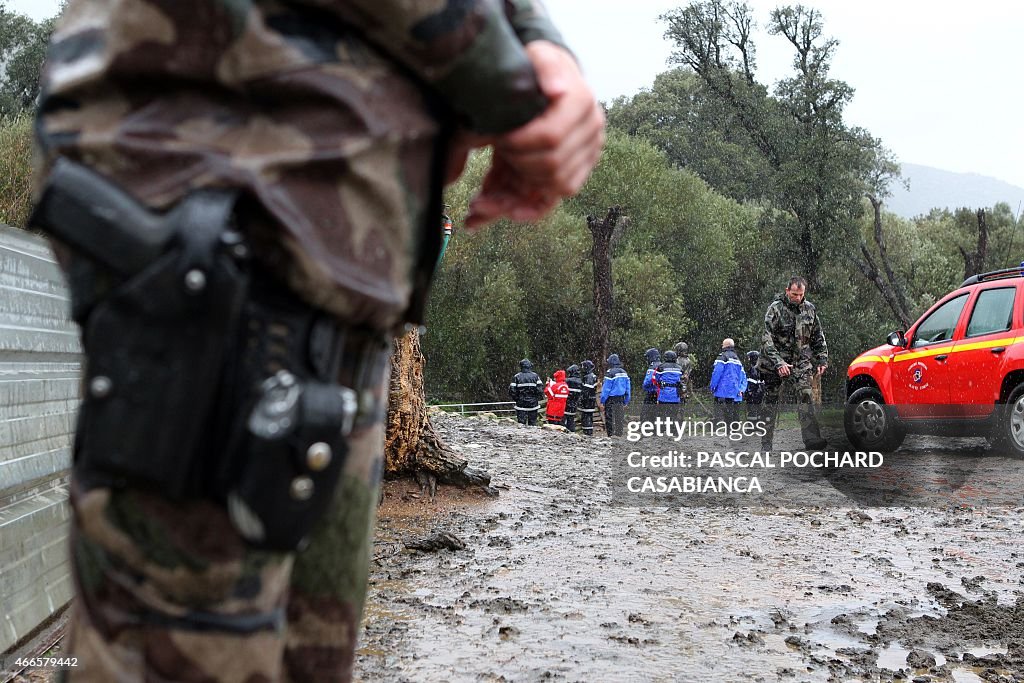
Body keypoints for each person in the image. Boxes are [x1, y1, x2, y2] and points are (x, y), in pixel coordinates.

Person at [32, 2, 605, 680]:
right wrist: (516, 88)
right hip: (228, 187)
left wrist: (539, 49)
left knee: (303, 653)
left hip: (342, 244)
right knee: (184, 651)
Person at [758, 276, 829, 450]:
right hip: (774, 362)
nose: (797, 298)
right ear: (787, 290)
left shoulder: (810, 309)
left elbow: (817, 336)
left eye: (801, 294)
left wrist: (822, 358)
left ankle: (812, 439)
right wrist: (779, 363)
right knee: (770, 401)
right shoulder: (775, 309)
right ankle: (766, 442)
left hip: (801, 362)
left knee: (806, 395)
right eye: (794, 294)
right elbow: (766, 339)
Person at [710, 338, 747, 425]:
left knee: (720, 411)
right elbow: (742, 376)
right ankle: (732, 430)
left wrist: (712, 386)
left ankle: (722, 428)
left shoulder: (722, 357)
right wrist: (741, 389)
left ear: (725, 346)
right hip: (734, 391)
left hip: (722, 390)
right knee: (732, 412)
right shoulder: (738, 359)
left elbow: (717, 373)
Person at [600, 353, 631, 436]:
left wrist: (602, 401)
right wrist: (626, 401)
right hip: (621, 398)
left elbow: (606, 389)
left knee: (609, 418)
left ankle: (610, 435)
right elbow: (628, 389)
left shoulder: (610, 373)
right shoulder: (624, 373)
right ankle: (619, 435)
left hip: (610, 399)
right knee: (619, 418)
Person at [511, 359, 545, 426]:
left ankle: (521, 435)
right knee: (532, 423)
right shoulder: (535, 376)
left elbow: (512, 390)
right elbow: (540, 390)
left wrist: (517, 399)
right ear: (530, 366)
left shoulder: (516, 376)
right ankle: (533, 435)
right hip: (533, 404)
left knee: (521, 424)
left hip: (521, 404)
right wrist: (535, 398)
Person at [578, 360, 598, 436]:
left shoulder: (588, 377)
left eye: (583, 367)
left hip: (587, 401)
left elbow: (586, 391)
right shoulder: (593, 376)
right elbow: (594, 389)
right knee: (589, 416)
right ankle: (589, 432)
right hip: (591, 400)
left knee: (586, 417)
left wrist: (581, 399)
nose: (582, 369)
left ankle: (587, 434)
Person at [640, 347, 661, 420]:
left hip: (652, 394)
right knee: (657, 414)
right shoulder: (662, 365)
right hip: (661, 393)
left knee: (646, 413)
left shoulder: (652, 367)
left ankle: (646, 428)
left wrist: (645, 387)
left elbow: (648, 381)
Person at [745, 350, 766, 419]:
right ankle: (757, 425)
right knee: (758, 411)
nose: (748, 359)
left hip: (753, 394)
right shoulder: (761, 368)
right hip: (759, 394)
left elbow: (752, 383)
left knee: (752, 412)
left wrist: (749, 393)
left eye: (749, 357)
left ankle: (752, 427)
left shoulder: (753, 369)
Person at [563, 364, 583, 432]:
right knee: (571, 419)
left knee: (565, 420)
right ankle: (572, 432)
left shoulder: (568, 381)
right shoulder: (580, 381)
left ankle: (566, 432)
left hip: (567, 403)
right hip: (574, 404)